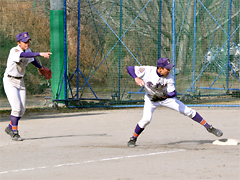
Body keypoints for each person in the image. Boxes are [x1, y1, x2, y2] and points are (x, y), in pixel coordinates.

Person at [126, 57, 223, 147]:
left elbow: (173, 93)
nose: (169, 71)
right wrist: (136, 78)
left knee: (188, 111)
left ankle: (209, 128)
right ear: (160, 68)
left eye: (169, 69)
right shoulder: (147, 70)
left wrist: (165, 96)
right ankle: (133, 139)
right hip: (151, 99)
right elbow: (129, 68)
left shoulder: (169, 78)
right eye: (166, 69)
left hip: (166, 99)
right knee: (146, 119)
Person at [3, 32, 52, 141]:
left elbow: (31, 59)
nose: (27, 43)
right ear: (18, 43)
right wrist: (40, 53)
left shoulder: (28, 51)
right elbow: (23, 55)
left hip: (20, 81)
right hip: (10, 81)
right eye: (24, 42)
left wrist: (40, 67)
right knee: (16, 108)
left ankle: (10, 127)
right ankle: (15, 133)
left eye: (28, 41)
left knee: (22, 110)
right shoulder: (14, 50)